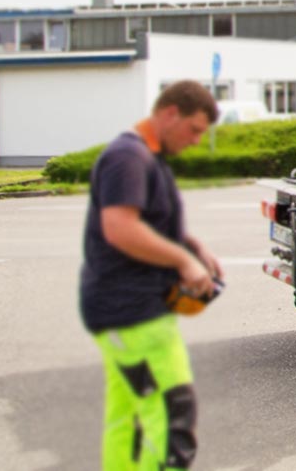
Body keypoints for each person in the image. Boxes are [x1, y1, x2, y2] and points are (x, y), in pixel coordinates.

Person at [80, 80, 221, 470]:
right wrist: (183, 261)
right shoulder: (130, 158)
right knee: (172, 414)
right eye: (193, 130)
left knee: (127, 419)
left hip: (119, 313)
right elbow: (120, 227)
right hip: (134, 314)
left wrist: (191, 245)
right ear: (170, 113)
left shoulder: (143, 156)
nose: (195, 141)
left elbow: (145, 219)